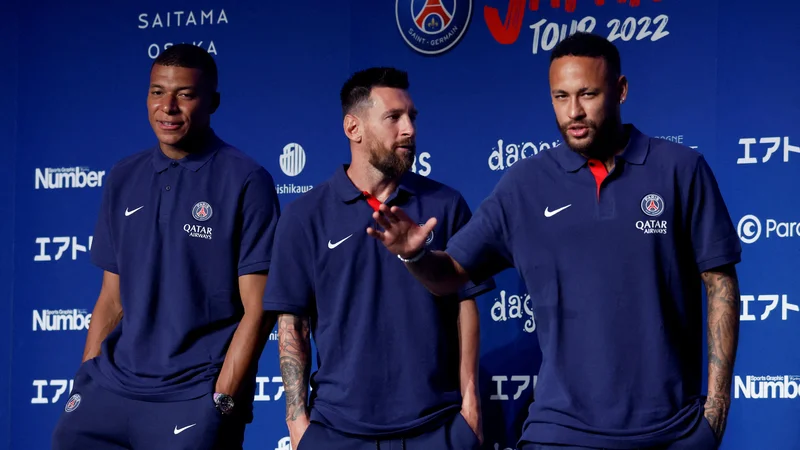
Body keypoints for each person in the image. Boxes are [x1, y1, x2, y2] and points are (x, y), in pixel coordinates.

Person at [368, 33, 742, 450]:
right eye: (560, 97)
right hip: (560, 433)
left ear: (620, 90)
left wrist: (715, 413)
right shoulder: (526, 184)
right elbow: (449, 275)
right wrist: (416, 254)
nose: (574, 111)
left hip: (671, 432)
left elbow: (720, 283)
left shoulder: (680, 170)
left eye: (588, 94)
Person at [51, 44, 281, 450]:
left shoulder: (246, 179)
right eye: (157, 92)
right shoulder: (124, 175)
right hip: (109, 389)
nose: (168, 107)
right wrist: (85, 378)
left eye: (185, 94)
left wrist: (223, 399)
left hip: (192, 395)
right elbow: (111, 298)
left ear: (213, 102)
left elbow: (258, 309)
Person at [262, 67, 495, 450]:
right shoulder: (304, 216)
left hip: (437, 429)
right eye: (393, 118)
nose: (409, 130)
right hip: (338, 432)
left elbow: (465, 304)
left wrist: (471, 408)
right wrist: (297, 422)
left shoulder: (445, 205)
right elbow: (293, 325)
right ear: (353, 128)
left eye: (412, 117)